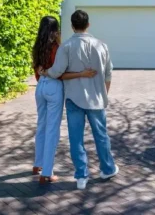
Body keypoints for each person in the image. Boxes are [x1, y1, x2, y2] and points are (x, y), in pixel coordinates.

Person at [43, 10, 118, 190]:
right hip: (97, 100)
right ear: (88, 25)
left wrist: (45, 72)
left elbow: (57, 71)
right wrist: (103, 94)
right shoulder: (101, 46)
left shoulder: (66, 46)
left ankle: (81, 176)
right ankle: (107, 168)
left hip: (73, 99)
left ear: (72, 26)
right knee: (101, 136)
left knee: (76, 139)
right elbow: (108, 74)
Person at [32, 16, 97, 185]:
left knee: (42, 125)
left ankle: (38, 164)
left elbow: (37, 70)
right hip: (54, 87)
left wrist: (42, 74)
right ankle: (47, 172)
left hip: (40, 87)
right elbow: (60, 71)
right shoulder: (57, 48)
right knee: (52, 129)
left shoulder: (37, 46)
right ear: (55, 30)